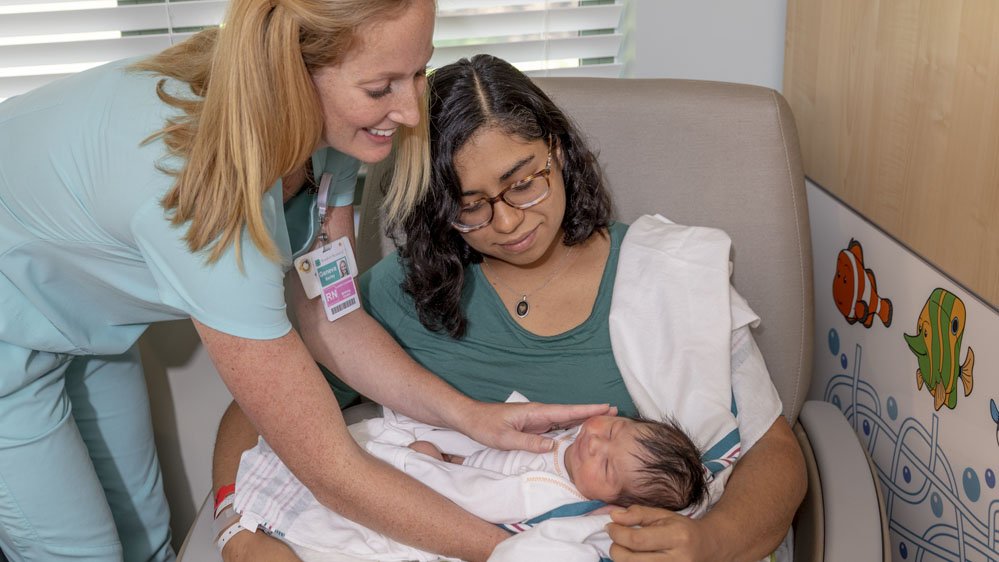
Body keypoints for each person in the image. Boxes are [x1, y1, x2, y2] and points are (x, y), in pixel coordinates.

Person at [0, 2, 612, 560]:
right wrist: (514, 552)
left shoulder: (330, 137)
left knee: (145, 539)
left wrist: (468, 417)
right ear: (294, 73)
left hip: (80, 319)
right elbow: (330, 469)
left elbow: (332, 311)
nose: (408, 114)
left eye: (416, 74)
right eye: (381, 87)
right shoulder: (201, 193)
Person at [217, 53, 806, 561]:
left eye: (524, 183)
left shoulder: (666, 277)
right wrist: (235, 530)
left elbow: (773, 452)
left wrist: (712, 542)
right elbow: (254, 410)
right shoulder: (397, 297)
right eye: (469, 205)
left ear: (557, 150)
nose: (506, 222)